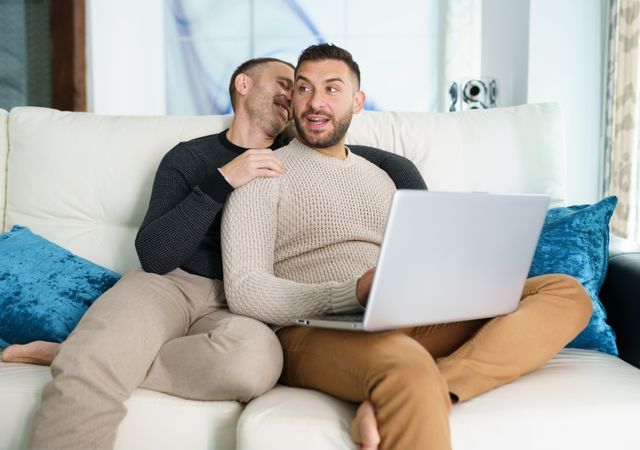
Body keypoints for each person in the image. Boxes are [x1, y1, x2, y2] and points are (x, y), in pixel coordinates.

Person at [17, 57, 425, 450]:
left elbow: (350, 154)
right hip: (170, 286)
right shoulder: (189, 157)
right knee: (91, 368)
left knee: (255, 364)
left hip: (237, 301)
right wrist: (223, 180)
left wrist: (405, 178)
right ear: (243, 84)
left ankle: (101, 355)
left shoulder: (295, 156)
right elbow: (155, 256)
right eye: (288, 83)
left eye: (299, 88)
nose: (296, 96)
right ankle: (98, 357)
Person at [220, 43, 594, 450]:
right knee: (405, 364)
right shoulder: (261, 174)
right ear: (291, 98)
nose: (315, 103)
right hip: (311, 331)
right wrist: (349, 293)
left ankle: (440, 385)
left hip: (400, 317)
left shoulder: (382, 177)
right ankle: (417, 381)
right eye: (304, 88)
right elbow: (244, 289)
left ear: (357, 101)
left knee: (565, 292)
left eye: (332, 89)